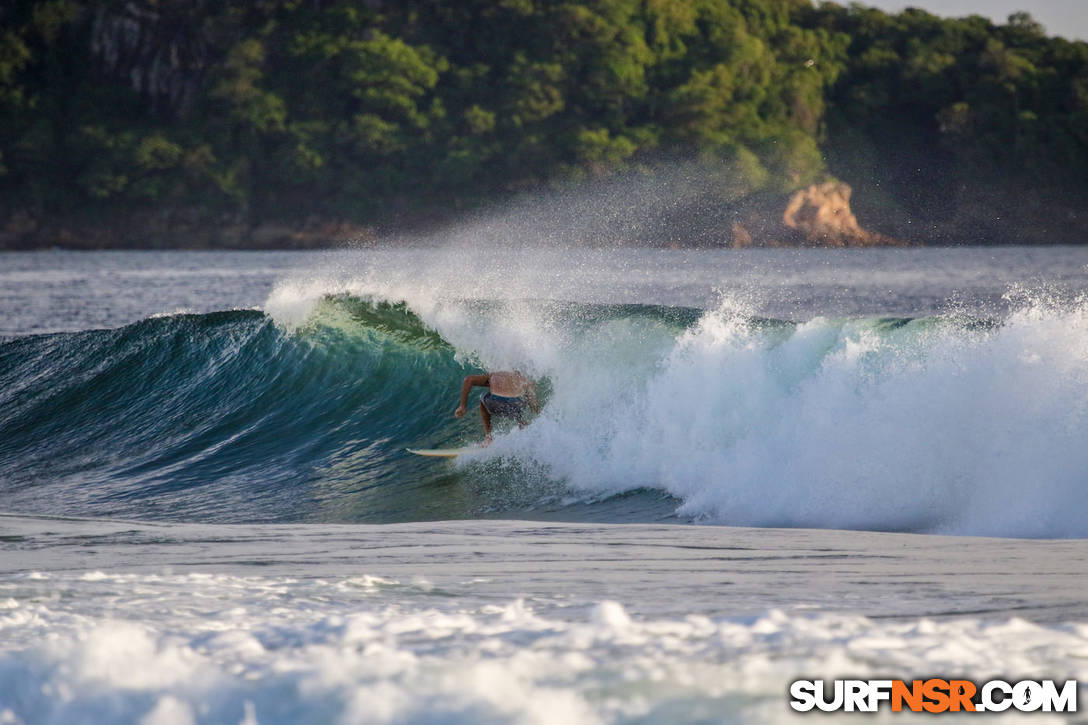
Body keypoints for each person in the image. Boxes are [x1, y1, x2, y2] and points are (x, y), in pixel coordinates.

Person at [453, 370, 539, 445]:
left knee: (482, 398)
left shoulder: (493, 374)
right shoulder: (522, 378)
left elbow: (468, 380)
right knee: (521, 400)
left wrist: (462, 406)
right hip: (516, 406)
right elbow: (532, 397)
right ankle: (522, 423)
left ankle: (488, 437)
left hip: (496, 403)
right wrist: (538, 411)